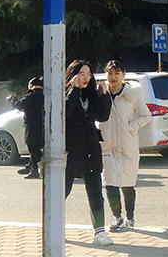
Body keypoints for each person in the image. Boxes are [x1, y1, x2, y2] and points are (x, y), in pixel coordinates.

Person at [97, 60, 152, 232]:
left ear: (123, 75)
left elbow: (146, 116)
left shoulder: (132, 95)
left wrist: (130, 128)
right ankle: (117, 217)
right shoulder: (101, 93)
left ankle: (130, 217)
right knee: (110, 184)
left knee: (127, 184)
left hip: (127, 146)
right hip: (108, 146)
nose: (113, 77)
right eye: (110, 73)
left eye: (117, 73)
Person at [64, 60, 113, 246]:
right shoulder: (64, 94)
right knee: (61, 192)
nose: (86, 78)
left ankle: (99, 233)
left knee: (95, 193)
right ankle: (53, 227)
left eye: (88, 74)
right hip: (69, 151)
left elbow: (103, 116)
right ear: (72, 75)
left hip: (90, 150)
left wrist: (104, 95)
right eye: (81, 74)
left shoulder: (91, 94)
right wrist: (74, 89)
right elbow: (65, 113)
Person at [6, 76, 45, 179]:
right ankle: (30, 167)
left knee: (33, 148)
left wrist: (12, 99)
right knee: (36, 147)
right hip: (43, 126)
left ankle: (35, 170)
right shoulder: (45, 95)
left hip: (32, 126)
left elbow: (20, 105)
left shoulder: (32, 95)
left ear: (32, 85)